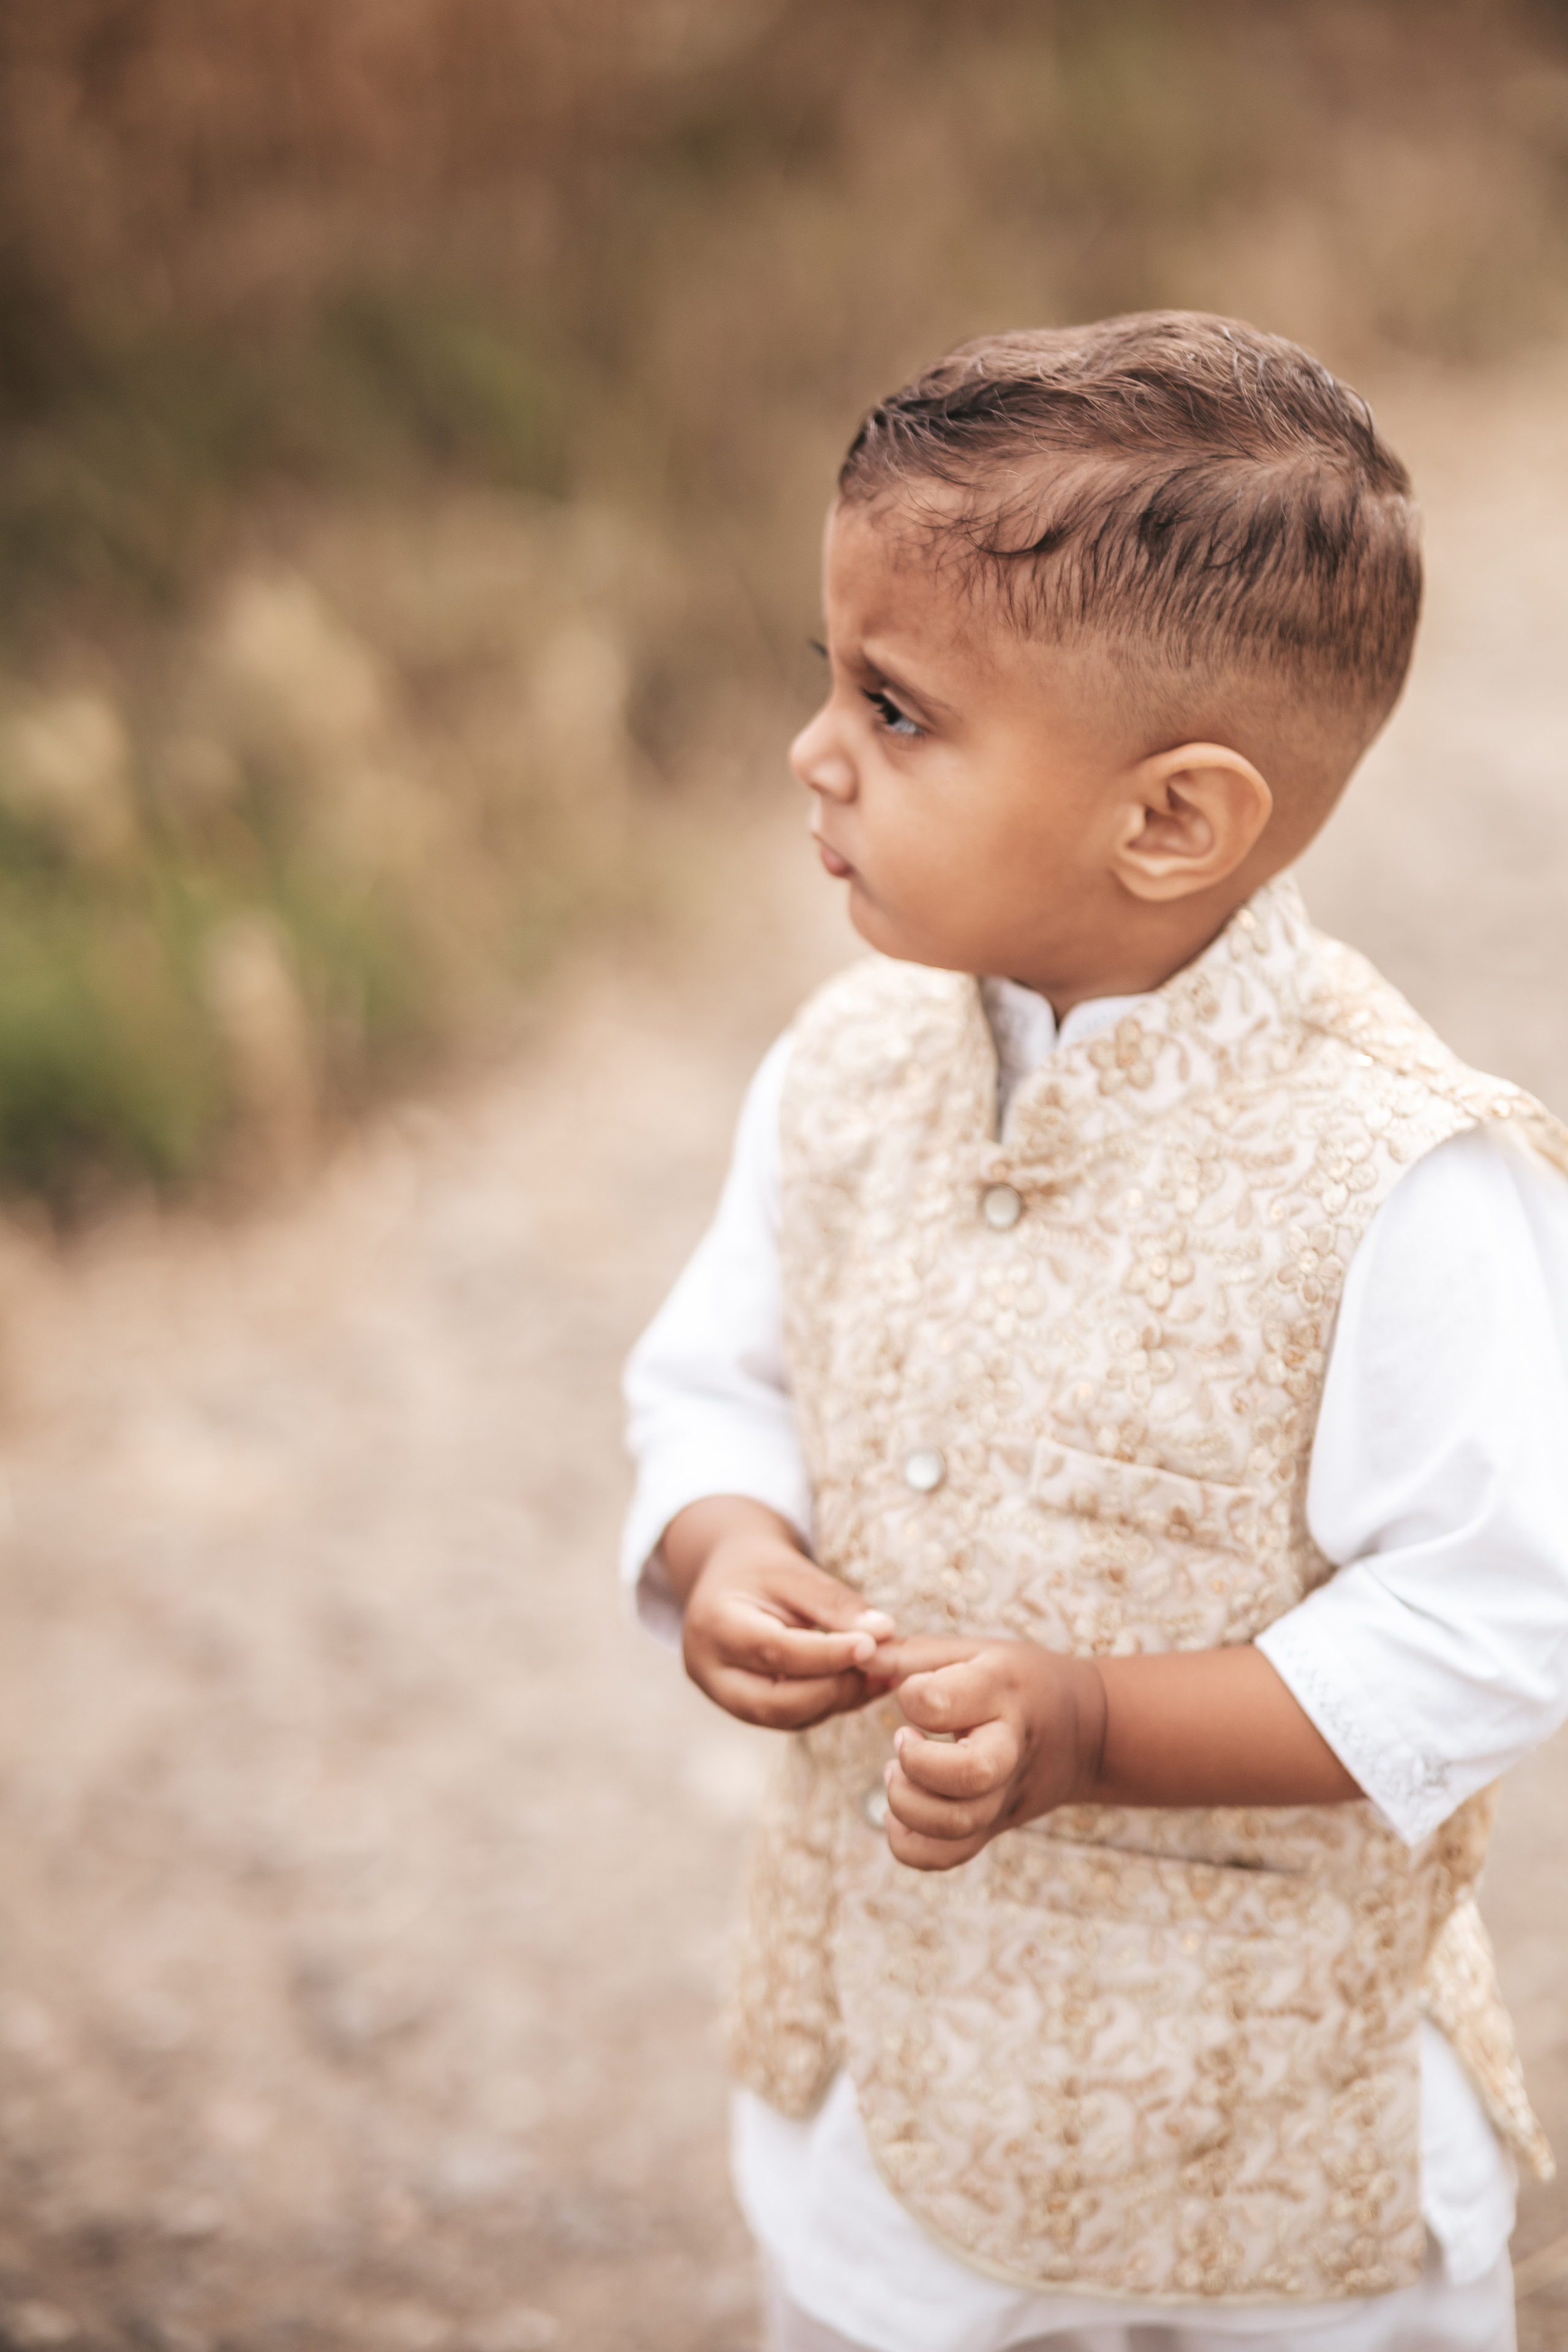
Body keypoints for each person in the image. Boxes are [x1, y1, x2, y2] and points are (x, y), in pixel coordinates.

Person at [619, 312, 1568, 2351]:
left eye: (897, 710)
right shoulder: (847, 1071)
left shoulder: (1399, 1177)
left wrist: (1096, 1723)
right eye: (830, 681)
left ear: (1171, 823)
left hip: (1262, 2130)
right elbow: (713, 1381)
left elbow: (1494, 1619)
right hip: (892, 2095)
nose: (815, 753)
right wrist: (725, 1548)